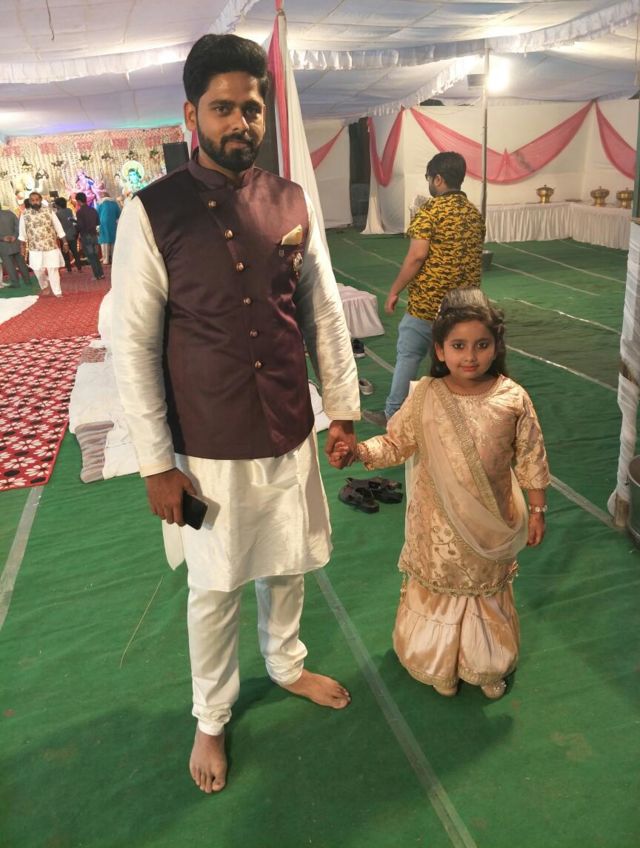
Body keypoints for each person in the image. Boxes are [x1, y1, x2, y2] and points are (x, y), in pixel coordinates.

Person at [111, 33, 360, 795]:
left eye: (251, 107)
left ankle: (286, 663)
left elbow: (321, 310)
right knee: (214, 588)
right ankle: (211, 715)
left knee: (287, 562)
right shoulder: (151, 212)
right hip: (207, 441)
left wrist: (341, 410)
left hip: (286, 422)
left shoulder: (290, 200)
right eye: (223, 108)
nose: (240, 122)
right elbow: (132, 344)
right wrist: (156, 463)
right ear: (192, 115)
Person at [331, 288, 549, 700]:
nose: (471, 356)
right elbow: (397, 443)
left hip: (490, 525)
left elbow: (531, 457)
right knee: (441, 592)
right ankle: (437, 663)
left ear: (496, 347)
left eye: (482, 345)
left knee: (485, 593)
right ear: (440, 349)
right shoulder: (427, 395)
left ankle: (486, 664)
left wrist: (537, 509)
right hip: (437, 527)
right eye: (459, 346)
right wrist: (358, 452)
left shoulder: (512, 398)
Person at [371, 151, 485, 425]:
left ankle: (394, 414)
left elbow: (417, 256)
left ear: (438, 179)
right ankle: (457, 415)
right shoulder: (474, 213)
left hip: (429, 305)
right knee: (456, 360)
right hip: (466, 305)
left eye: (429, 178)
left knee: (409, 354)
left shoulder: (430, 212)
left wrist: (395, 290)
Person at [18, 191, 68, 297]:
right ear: (29, 201)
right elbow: (22, 232)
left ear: (40, 200)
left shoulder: (49, 211)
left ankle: (57, 291)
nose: (35, 202)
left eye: (37, 200)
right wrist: (22, 247)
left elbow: (58, 227)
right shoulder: (25, 214)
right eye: (32, 200)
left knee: (53, 269)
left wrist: (65, 242)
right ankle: (44, 285)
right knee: (37, 270)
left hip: (50, 246)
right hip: (35, 248)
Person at [0, 202, 31, 288]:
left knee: (9, 265)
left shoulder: (9, 213)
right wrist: (14, 236)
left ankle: (15, 283)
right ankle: (27, 281)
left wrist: (3, 238)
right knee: (21, 263)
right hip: (15, 242)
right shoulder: (9, 213)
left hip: (3, 245)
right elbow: (18, 226)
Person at [75, 191, 104, 279]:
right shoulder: (93, 210)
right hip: (94, 235)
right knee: (96, 256)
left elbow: (80, 226)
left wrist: (76, 227)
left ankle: (96, 275)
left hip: (86, 235)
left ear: (79, 201)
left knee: (91, 257)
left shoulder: (79, 212)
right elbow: (98, 222)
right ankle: (101, 274)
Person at [53, 197, 82, 273]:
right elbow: (71, 220)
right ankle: (79, 267)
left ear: (58, 205)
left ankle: (69, 269)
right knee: (75, 251)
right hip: (72, 233)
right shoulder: (69, 210)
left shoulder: (57, 214)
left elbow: (57, 225)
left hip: (63, 236)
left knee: (65, 252)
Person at [97, 192, 121, 264]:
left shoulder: (100, 203)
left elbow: (97, 214)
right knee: (113, 241)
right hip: (113, 224)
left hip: (103, 224)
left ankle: (106, 259)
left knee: (105, 242)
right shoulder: (114, 203)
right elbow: (118, 214)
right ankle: (114, 259)